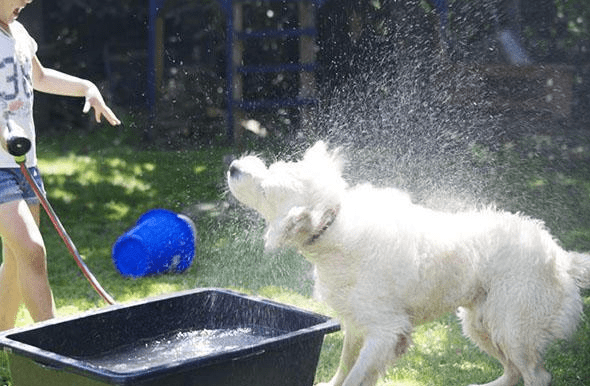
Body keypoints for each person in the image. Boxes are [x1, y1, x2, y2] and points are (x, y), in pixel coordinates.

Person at [0, 0, 121, 331]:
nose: (28, 1)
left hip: (26, 166)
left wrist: (87, 87)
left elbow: (38, 76)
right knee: (32, 250)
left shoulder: (20, 33)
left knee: (17, 259)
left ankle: (2, 341)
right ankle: (53, 349)